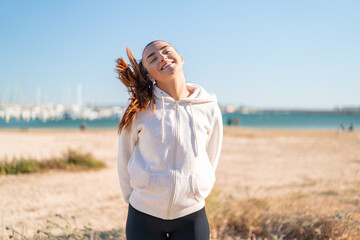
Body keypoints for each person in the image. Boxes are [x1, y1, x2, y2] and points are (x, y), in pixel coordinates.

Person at [115, 40, 223, 240]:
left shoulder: (208, 106)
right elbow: (125, 156)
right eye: (153, 58)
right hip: (144, 214)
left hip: (191, 214)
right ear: (149, 75)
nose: (162, 57)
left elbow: (212, 155)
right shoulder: (139, 107)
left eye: (166, 52)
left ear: (180, 58)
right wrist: (134, 197)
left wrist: (199, 188)